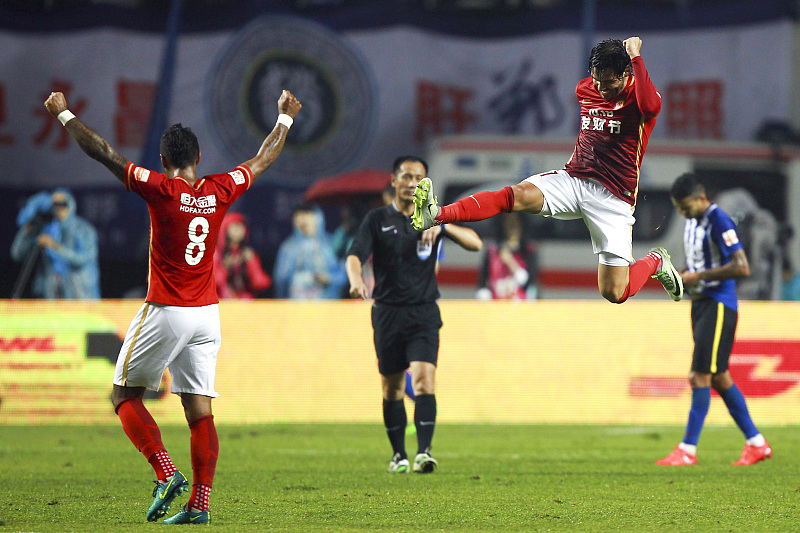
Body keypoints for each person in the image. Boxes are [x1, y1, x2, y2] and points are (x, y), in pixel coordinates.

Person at [43, 88, 301, 523]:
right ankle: (199, 505)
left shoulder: (160, 188)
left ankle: (165, 473)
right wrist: (284, 120)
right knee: (199, 410)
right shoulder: (220, 188)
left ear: (163, 160)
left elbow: (104, 152)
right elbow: (263, 159)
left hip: (166, 308)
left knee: (123, 394)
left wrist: (64, 113)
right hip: (208, 314)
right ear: (199, 156)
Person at [411, 37, 683, 304]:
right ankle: (436, 214)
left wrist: (635, 55)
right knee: (514, 195)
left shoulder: (641, 99)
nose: (600, 88)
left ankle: (656, 260)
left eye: (609, 82)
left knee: (614, 293)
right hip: (574, 179)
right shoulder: (585, 89)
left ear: (626, 73)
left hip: (613, 197)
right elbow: (597, 91)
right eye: (597, 79)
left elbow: (651, 105)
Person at [346, 156, 483, 474]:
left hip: (423, 313)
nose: (411, 182)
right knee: (391, 389)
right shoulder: (377, 219)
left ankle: (424, 452)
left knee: (423, 382)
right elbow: (355, 255)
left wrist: (443, 226)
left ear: (426, 183)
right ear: (394, 181)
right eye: (406, 176)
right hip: (387, 313)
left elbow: (475, 244)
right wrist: (355, 281)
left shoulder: (434, 219)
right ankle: (398, 455)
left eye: (418, 177)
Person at [656, 173, 771, 466]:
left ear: (701, 198)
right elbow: (699, 264)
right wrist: (682, 276)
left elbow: (742, 266)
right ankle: (756, 443)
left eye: (684, 207)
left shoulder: (719, 220)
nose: (682, 213)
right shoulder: (694, 222)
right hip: (701, 304)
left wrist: (700, 277)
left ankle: (688, 449)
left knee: (699, 376)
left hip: (720, 305)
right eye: (678, 207)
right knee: (719, 377)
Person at [11, 188, 100, 299]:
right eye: (54, 204)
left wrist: (55, 246)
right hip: (49, 293)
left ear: (70, 205)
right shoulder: (45, 228)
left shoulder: (83, 230)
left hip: (80, 294)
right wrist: (29, 226)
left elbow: (83, 259)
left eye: (62, 204)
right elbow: (17, 254)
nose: (58, 208)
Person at [273, 203, 347, 299]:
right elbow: (280, 280)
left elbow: (344, 275)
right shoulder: (288, 247)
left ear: (318, 218)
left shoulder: (331, 244)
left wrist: (329, 279)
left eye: (308, 214)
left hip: (326, 304)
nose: (303, 219)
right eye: (299, 215)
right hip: (296, 304)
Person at [475, 212, 538, 300]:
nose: (512, 226)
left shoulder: (528, 250)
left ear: (521, 224)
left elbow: (528, 283)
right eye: (508, 221)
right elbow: (482, 285)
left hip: (519, 305)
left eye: (515, 222)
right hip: (496, 305)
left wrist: (510, 261)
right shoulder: (492, 250)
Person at [213, 211, 271, 299]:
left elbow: (262, 283)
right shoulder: (216, 255)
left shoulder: (248, 254)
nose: (239, 230)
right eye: (234, 226)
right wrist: (225, 267)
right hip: (222, 302)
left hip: (245, 304)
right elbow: (213, 282)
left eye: (241, 226)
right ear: (225, 229)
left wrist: (251, 264)